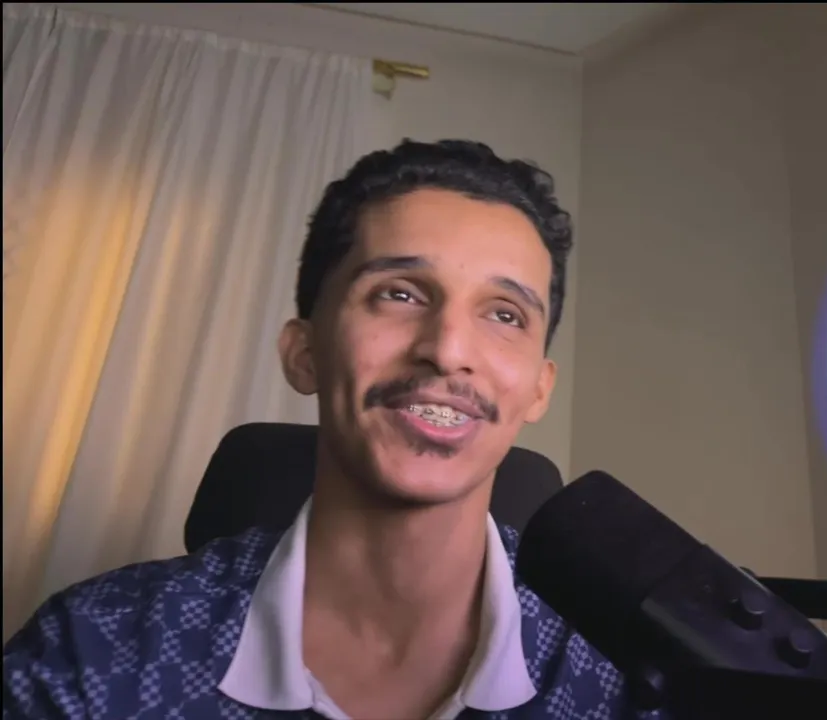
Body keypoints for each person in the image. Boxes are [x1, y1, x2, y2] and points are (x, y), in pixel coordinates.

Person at [3, 140, 664, 719]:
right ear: (305, 353)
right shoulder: (89, 653)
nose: (447, 349)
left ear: (539, 387)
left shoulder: (633, 673)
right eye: (399, 294)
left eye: (505, 314)